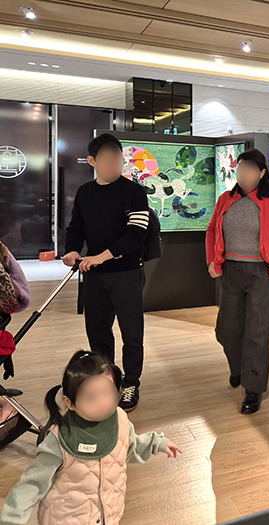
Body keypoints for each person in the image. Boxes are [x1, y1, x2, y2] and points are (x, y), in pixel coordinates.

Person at [0, 350, 181, 525]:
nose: (103, 403)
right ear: (70, 402)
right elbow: (32, 484)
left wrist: (157, 443)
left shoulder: (119, 418)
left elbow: (130, 445)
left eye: (107, 393)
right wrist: (11, 519)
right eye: (91, 397)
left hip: (109, 514)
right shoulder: (60, 438)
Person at [206, 148, 269, 414]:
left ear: (261, 173)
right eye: (240, 169)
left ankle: (253, 388)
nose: (243, 174)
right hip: (231, 272)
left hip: (260, 274)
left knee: (257, 332)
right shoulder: (225, 200)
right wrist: (212, 260)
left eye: (249, 169)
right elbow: (212, 230)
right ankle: (238, 368)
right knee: (227, 329)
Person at [62, 133, 149, 411]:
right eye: (108, 159)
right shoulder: (85, 192)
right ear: (92, 161)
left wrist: (102, 256)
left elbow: (136, 233)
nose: (114, 164)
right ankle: (107, 379)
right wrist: (72, 250)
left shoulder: (134, 192)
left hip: (127, 273)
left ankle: (131, 382)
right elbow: (76, 228)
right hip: (95, 276)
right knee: (98, 332)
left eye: (118, 159)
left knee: (132, 333)